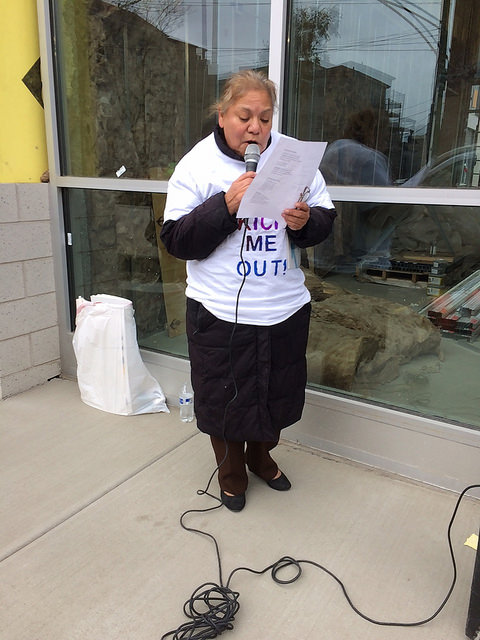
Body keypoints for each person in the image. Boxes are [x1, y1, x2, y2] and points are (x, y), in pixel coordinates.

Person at [160, 70, 336, 512]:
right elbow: (177, 240)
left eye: (264, 117)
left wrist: (304, 223)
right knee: (223, 400)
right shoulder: (197, 165)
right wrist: (225, 206)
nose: (255, 128)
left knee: (276, 393)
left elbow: (324, 218)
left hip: (284, 307)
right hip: (219, 311)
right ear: (222, 116)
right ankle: (231, 473)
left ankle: (261, 458)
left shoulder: (294, 158)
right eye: (244, 116)